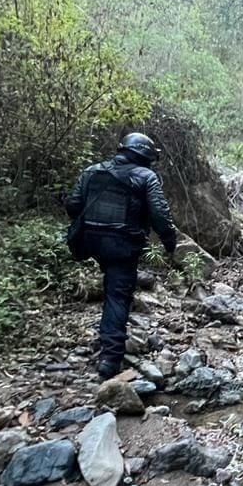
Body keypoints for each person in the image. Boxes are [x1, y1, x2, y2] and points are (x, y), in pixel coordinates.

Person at [66, 132, 178, 379]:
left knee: (111, 288)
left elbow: (73, 205)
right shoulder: (146, 177)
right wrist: (170, 242)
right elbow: (160, 214)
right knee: (118, 294)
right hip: (122, 245)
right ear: (145, 155)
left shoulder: (91, 171)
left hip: (90, 242)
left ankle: (106, 339)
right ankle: (110, 357)